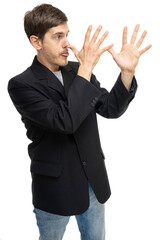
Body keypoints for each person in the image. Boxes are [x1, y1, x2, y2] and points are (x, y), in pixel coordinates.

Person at [7, 3, 151, 240]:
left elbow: (110, 108)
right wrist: (86, 67)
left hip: (93, 183)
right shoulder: (22, 84)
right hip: (55, 188)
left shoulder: (78, 71)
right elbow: (64, 121)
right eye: (57, 36)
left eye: (67, 35)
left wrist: (127, 73)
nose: (66, 43)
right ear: (36, 42)